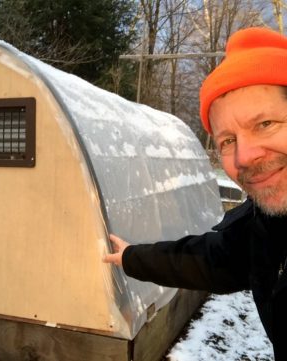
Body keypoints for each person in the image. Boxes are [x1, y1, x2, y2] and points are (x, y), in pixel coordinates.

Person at [103, 26, 287, 361]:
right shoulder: (268, 224)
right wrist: (133, 258)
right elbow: (213, 259)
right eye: (227, 141)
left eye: (266, 124)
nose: (245, 157)